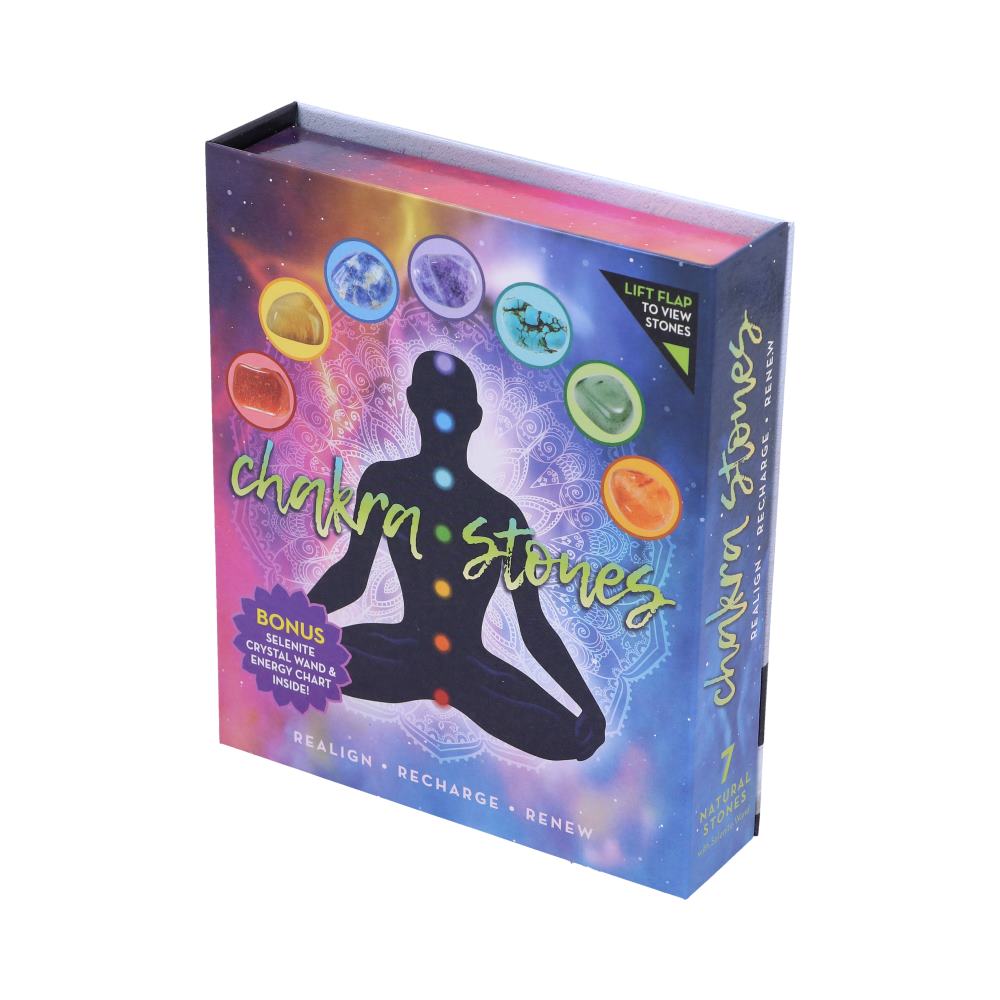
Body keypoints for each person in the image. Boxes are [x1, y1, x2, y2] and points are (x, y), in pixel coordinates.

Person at [309, 351, 606, 761]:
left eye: (453, 405)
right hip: (400, 651)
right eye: (435, 401)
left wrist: (587, 705)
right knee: (312, 654)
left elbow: (532, 625)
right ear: (414, 402)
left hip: (471, 670)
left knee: (573, 738)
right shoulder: (385, 481)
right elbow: (352, 576)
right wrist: (293, 623)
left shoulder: (503, 516)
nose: (443, 416)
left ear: (474, 417)